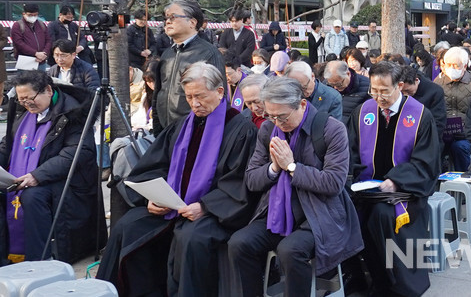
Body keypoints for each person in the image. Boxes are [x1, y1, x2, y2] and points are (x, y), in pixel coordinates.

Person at [96, 63, 258, 296]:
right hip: (173, 206)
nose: (194, 103)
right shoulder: (182, 125)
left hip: (213, 211)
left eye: (200, 96)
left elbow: (239, 182)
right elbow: (154, 166)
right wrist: (152, 198)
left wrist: (204, 206)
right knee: (128, 225)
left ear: (220, 92)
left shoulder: (240, 129)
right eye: (189, 97)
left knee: (192, 238)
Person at [227, 77, 363, 296]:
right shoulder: (269, 129)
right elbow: (252, 179)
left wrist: (291, 166)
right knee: (239, 244)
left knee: (290, 250)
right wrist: (273, 167)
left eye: (282, 116)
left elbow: (334, 183)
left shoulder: (331, 129)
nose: (277, 122)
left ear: (301, 104)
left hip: (320, 214)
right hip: (276, 212)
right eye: (270, 116)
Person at [344, 61, 440, 296]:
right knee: (347, 213)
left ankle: (397, 286)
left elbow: (426, 163)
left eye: (384, 91)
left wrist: (396, 181)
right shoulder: (363, 111)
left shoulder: (419, 115)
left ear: (399, 86)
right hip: (366, 190)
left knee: (381, 216)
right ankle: (362, 279)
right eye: (374, 91)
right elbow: (350, 151)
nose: (378, 97)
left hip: (404, 191)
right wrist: (351, 178)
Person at [0, 72, 97, 262]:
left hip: (64, 179)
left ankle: (38, 260)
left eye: (30, 98)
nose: (27, 104)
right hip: (25, 175)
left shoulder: (73, 112)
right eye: (22, 100)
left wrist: (37, 176)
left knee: (32, 196)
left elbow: (76, 153)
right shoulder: (22, 111)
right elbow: (8, 144)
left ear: (48, 90)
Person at [153, 0, 226, 134]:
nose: (168, 21)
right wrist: (158, 132)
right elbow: (158, 93)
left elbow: (220, 99)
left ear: (192, 22)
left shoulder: (208, 53)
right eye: (166, 18)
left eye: (173, 17)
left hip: (194, 133)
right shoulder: (167, 54)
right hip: (166, 132)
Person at [436, 47, 471, 172]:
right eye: (448, 65)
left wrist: (467, 130)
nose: (451, 68)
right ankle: (435, 183)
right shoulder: (439, 82)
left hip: (467, 134)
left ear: (465, 66)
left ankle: (463, 181)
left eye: (456, 65)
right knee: (433, 148)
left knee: (459, 147)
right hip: (444, 132)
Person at [399, 65, 448, 136]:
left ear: (416, 80)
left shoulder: (435, 91)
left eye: (407, 90)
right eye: (402, 92)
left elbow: (438, 123)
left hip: (427, 137)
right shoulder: (398, 93)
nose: (405, 94)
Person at [11, 3, 50, 72]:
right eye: (30, 15)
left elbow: (48, 40)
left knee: (41, 81)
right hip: (26, 62)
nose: (33, 17)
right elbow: (19, 43)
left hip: (41, 61)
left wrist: (44, 53)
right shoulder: (18, 25)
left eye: (35, 15)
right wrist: (35, 53)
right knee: (25, 82)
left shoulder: (41, 25)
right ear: (24, 14)